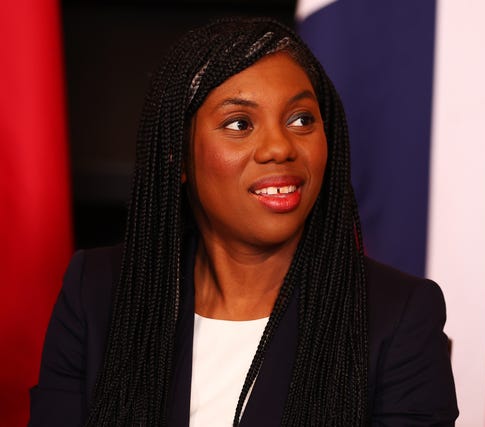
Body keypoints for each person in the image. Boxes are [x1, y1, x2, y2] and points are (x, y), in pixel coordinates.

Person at [29, 17, 458, 426]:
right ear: (177, 155)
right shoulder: (98, 293)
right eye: (239, 123)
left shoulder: (398, 316)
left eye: (301, 119)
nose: (279, 147)